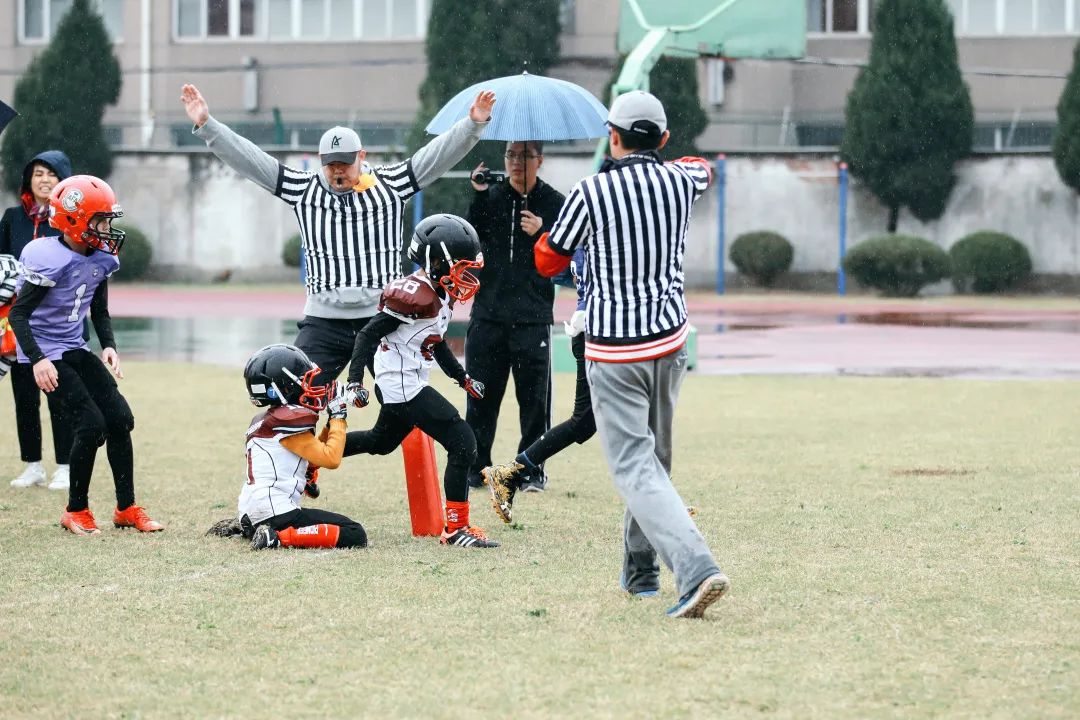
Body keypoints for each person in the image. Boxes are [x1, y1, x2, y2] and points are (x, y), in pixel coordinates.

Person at [531, 91, 729, 619]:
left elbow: (549, 260)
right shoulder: (681, 181)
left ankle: (695, 569)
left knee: (634, 467)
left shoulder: (591, 192)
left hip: (616, 349)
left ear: (612, 137)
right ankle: (640, 572)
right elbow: (703, 167)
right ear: (662, 140)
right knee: (654, 462)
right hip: (670, 343)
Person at [180, 84, 495, 384]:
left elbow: (435, 156)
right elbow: (251, 160)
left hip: (382, 317)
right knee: (297, 395)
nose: (338, 171)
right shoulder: (302, 189)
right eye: (331, 165)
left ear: (362, 156)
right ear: (321, 163)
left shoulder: (391, 185)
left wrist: (472, 125)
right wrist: (208, 126)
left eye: (345, 162)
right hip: (324, 322)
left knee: (407, 405)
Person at [8, 175, 163, 536]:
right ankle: (75, 510)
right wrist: (38, 360)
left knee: (120, 419)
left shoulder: (101, 256)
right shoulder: (46, 256)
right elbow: (18, 314)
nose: (108, 229)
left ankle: (126, 508)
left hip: (74, 347)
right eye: (101, 220)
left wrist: (108, 345)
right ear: (76, 220)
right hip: (45, 351)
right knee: (91, 425)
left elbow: (99, 308)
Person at [342, 214, 497, 549]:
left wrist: (461, 377)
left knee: (380, 441)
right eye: (461, 268)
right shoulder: (415, 297)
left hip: (405, 378)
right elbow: (368, 333)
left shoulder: (440, 294)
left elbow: (434, 342)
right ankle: (456, 528)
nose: (467, 277)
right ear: (436, 262)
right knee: (462, 441)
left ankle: (312, 457)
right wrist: (355, 380)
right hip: (401, 384)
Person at [464, 141, 566, 493]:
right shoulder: (491, 199)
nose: (516, 162)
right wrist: (478, 193)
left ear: (540, 160)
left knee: (534, 401)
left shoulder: (555, 203)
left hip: (532, 317)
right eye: (510, 155)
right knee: (480, 397)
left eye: (524, 156)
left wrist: (542, 233)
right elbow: (470, 241)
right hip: (488, 316)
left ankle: (530, 470)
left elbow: (567, 254)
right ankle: (477, 467)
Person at [481, 247, 592, 522]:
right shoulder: (603, 226)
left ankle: (511, 472)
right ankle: (660, 498)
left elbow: (557, 268)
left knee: (586, 422)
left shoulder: (588, 226)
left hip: (595, 328)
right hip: (600, 331)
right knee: (597, 418)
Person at [235, 344, 367, 551]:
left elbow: (314, 453)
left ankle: (252, 528)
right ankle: (278, 538)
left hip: (252, 509)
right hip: (274, 510)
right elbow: (330, 458)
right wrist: (339, 416)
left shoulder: (270, 419)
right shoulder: (285, 422)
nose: (310, 385)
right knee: (354, 532)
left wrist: (332, 422)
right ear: (285, 388)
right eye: (304, 380)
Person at [0, 150, 75, 490]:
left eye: (52, 174)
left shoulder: (69, 219)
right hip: (19, 324)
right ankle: (33, 465)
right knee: (24, 398)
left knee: (59, 397)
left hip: (57, 324)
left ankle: (65, 465)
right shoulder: (13, 217)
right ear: (28, 180)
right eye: (38, 174)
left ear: (64, 181)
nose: (44, 180)